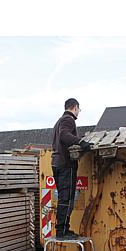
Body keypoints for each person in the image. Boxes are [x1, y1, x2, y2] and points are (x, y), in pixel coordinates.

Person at [51, 98, 92, 239]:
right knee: (66, 199)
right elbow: (64, 136)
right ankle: (61, 232)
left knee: (65, 197)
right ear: (75, 107)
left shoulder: (59, 121)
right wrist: (81, 142)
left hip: (58, 163)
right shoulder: (68, 119)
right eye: (79, 109)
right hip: (65, 165)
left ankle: (64, 229)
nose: (79, 112)